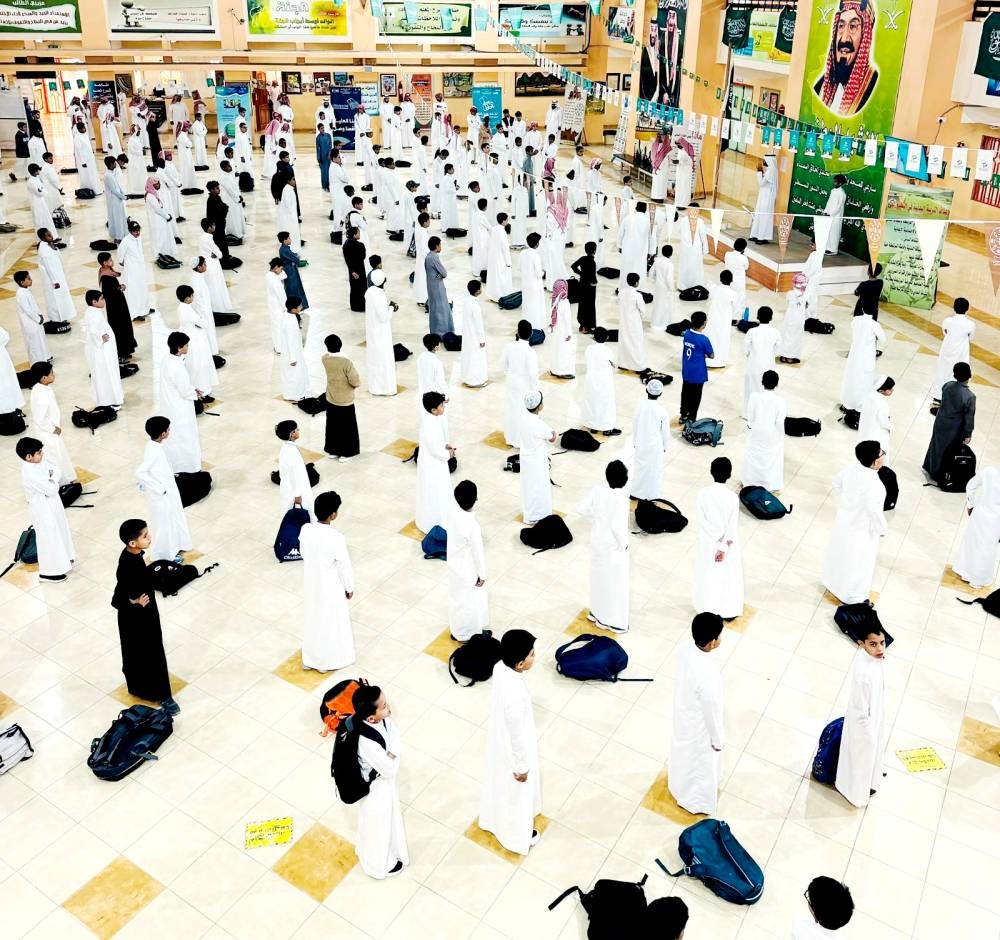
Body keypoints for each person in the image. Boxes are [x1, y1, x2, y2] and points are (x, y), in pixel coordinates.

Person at [479, 629, 541, 854]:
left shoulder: (499, 667)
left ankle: (495, 821)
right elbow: (517, 735)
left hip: (500, 741)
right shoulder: (515, 694)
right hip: (514, 751)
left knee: (500, 786)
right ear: (520, 664)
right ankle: (517, 836)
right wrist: (522, 767)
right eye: (531, 654)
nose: (534, 657)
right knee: (517, 793)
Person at [111, 519, 179, 714]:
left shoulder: (133, 556)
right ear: (133, 543)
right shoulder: (127, 565)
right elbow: (118, 595)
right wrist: (134, 603)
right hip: (136, 618)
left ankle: (144, 688)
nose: (150, 538)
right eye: (145, 536)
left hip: (143, 614)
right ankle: (163, 695)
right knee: (151, 653)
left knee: (143, 652)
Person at [668, 612, 725, 815]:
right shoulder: (709, 676)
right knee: (699, 766)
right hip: (700, 727)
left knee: (683, 755)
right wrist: (717, 739)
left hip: (684, 712)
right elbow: (711, 712)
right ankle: (696, 802)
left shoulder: (684, 649)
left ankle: (678, 786)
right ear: (711, 643)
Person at [351, 684, 408, 879]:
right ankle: (377, 864)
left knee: (383, 820)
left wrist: (390, 754)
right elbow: (389, 770)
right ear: (370, 718)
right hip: (373, 788)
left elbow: (395, 735)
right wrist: (392, 754)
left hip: (383, 783)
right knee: (376, 823)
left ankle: (384, 854)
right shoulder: (366, 741)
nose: (388, 707)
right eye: (383, 706)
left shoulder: (382, 720)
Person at [822, 441, 888, 604]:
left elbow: (836, 482)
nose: (884, 455)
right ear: (875, 462)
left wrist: (848, 501)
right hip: (862, 528)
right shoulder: (875, 485)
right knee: (859, 562)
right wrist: (882, 528)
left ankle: (833, 583)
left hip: (844, 520)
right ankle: (854, 597)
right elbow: (873, 510)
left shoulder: (851, 469)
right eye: (881, 453)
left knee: (840, 553)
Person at [299, 489, 357, 673]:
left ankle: (310, 658)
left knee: (313, 619)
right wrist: (349, 587)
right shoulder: (336, 538)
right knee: (329, 622)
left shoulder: (306, 530)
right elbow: (344, 566)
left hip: (311, 583)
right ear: (333, 515)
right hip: (330, 587)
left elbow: (303, 552)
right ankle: (325, 661)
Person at [836, 621, 888, 807]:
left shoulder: (872, 659)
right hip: (863, 724)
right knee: (861, 758)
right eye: (873, 644)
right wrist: (868, 733)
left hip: (874, 716)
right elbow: (860, 708)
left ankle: (871, 782)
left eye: (882, 643)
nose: (879, 648)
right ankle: (856, 794)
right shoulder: (864, 673)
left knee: (870, 755)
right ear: (862, 643)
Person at [579, 460, 630, 633]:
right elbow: (617, 527)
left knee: (598, 579)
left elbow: (581, 508)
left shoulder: (597, 490)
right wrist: (624, 545)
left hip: (597, 541)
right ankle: (612, 621)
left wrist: (596, 520)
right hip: (613, 547)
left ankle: (596, 613)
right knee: (614, 583)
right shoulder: (621, 499)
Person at [17, 437, 74, 582]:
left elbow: (57, 470)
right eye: (39, 452)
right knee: (49, 538)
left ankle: (64, 560)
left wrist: (51, 479)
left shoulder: (39, 462)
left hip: (52, 504)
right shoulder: (29, 473)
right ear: (29, 457)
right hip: (42, 509)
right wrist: (52, 480)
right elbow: (51, 489)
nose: (42, 454)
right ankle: (48, 573)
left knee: (60, 531)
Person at [136, 417, 192, 564]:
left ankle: (176, 546)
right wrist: (159, 488)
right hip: (161, 495)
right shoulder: (153, 451)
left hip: (168, 492)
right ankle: (165, 555)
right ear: (163, 434)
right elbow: (141, 472)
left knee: (173, 520)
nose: (169, 431)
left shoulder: (155, 447)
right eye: (168, 429)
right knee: (164, 525)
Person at [694, 457, 744, 620]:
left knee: (707, 574)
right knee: (727, 577)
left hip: (708, 542)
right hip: (727, 544)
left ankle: (706, 607)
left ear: (711, 472)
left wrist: (715, 536)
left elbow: (701, 520)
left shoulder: (703, 493)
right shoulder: (732, 498)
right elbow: (732, 526)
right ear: (729, 475)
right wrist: (723, 546)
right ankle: (727, 610)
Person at [448, 480, 489, 642]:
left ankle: (457, 630)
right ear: (475, 500)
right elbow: (477, 553)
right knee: (469, 603)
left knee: (456, 600)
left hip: (454, 566)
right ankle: (468, 635)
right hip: (467, 569)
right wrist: (482, 575)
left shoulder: (453, 515)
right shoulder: (472, 525)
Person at [923, 362, 976, 482]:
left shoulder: (948, 385)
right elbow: (969, 417)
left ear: (954, 374)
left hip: (941, 421)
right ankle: (940, 474)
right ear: (970, 375)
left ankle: (929, 467)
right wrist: (968, 433)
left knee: (936, 445)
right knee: (948, 450)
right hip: (954, 428)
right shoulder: (970, 397)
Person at [160, 332, 202, 473]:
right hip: (180, 406)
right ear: (179, 348)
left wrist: (192, 389)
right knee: (185, 435)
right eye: (186, 345)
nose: (188, 347)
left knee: (176, 437)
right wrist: (194, 393)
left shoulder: (167, 359)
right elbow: (184, 390)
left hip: (170, 403)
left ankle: (177, 464)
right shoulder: (176, 366)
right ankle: (189, 466)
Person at [28, 363, 74, 484]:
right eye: (51, 373)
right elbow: (40, 419)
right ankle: (60, 484)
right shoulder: (41, 395)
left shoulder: (40, 388)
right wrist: (53, 429)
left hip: (50, 430)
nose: (54, 375)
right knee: (54, 459)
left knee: (59, 456)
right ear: (44, 378)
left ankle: (66, 479)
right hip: (48, 433)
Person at [954, 467, 1000, 590]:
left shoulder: (988, 472)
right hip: (996, 521)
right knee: (987, 550)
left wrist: (970, 504)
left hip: (979, 514)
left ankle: (965, 572)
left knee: (972, 544)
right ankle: (978, 580)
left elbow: (970, 485)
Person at [416, 392, 455, 533]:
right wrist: (448, 453)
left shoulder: (431, 419)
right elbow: (434, 449)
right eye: (441, 405)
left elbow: (436, 442)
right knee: (435, 494)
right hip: (433, 466)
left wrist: (445, 444)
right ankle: (434, 523)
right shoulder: (430, 425)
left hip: (434, 463)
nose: (443, 407)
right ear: (433, 410)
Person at [743, 370, 786, 492]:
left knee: (753, 455)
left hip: (756, 433)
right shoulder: (780, 401)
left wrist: (752, 428)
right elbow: (779, 423)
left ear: (762, 382)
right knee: (772, 457)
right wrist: (781, 436)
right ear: (777, 384)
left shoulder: (754, 397)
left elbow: (750, 418)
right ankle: (769, 483)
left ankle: (751, 481)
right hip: (771, 435)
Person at [322, 334, 361, 461]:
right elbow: (355, 380)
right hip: (345, 399)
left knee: (333, 425)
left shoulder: (325, 359)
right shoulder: (346, 362)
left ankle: (333, 450)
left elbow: (328, 355)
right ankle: (347, 452)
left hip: (331, 396)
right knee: (347, 427)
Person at [83, 290, 124, 409]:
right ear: (94, 302)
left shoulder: (92, 311)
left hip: (102, 351)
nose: (104, 301)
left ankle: (110, 399)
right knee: (107, 375)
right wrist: (101, 338)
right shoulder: (94, 314)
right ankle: (111, 400)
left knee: (106, 375)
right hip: (102, 353)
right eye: (101, 299)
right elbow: (93, 330)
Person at [520, 391, 557, 524]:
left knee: (529, 488)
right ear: (539, 406)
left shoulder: (523, 419)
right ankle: (539, 515)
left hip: (526, 460)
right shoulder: (538, 424)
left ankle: (530, 514)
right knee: (539, 488)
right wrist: (553, 432)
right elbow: (552, 437)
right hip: (537, 461)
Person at [503, 321, 540, 447]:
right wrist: (536, 389)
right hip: (525, 386)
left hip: (511, 383)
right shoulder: (530, 352)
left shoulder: (509, 346)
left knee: (512, 410)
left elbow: (504, 366)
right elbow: (533, 374)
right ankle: (520, 440)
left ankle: (511, 437)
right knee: (523, 413)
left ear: (517, 332)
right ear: (531, 334)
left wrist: (511, 375)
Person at [840, 309, 886, 413]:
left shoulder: (856, 320)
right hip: (867, 357)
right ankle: (859, 407)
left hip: (855, 355)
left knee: (852, 380)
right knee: (864, 383)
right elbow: (883, 339)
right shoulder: (874, 324)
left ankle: (848, 403)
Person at [933, 297, 975, 402]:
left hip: (947, 350)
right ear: (967, 309)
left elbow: (945, 333)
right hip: (961, 352)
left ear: (954, 307)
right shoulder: (971, 324)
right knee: (959, 374)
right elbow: (971, 338)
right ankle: (955, 397)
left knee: (943, 371)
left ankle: (939, 396)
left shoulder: (947, 321)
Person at [743, 306, 781, 415]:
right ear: (771, 318)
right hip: (768, 366)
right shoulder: (776, 332)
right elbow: (778, 350)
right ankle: (764, 413)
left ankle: (748, 414)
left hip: (753, 364)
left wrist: (751, 355)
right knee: (766, 392)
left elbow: (745, 350)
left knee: (751, 391)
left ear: (757, 317)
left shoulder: (751, 331)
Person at [365, 270, 397, 397]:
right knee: (384, 360)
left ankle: (375, 387)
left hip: (372, 332)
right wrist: (391, 308)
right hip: (381, 334)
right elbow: (384, 317)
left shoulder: (369, 292)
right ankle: (386, 389)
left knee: (374, 360)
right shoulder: (379, 296)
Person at [99, 253, 137, 362]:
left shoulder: (107, 272)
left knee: (124, 326)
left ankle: (126, 351)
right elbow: (109, 292)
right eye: (110, 260)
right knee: (120, 328)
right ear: (104, 263)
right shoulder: (106, 276)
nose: (112, 261)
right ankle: (121, 353)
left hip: (118, 304)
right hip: (116, 307)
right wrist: (120, 288)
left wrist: (119, 287)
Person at [274, 419, 314, 518]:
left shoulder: (285, 448)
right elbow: (295, 475)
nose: (298, 431)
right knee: (302, 515)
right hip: (296, 491)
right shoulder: (291, 453)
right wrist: (298, 495)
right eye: (297, 430)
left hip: (288, 488)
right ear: (292, 434)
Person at [36, 228, 76, 324]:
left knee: (62, 296)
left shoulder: (49, 245)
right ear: (42, 238)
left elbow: (58, 256)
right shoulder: (43, 250)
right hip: (52, 279)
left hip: (58, 275)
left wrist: (53, 246)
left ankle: (63, 317)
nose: (51, 236)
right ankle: (56, 319)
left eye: (50, 234)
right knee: (54, 299)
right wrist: (54, 281)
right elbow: (48, 267)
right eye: (48, 235)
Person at [680, 311, 714, 422]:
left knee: (685, 392)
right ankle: (692, 418)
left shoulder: (686, 334)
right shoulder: (704, 339)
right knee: (696, 396)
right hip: (698, 373)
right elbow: (711, 355)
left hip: (686, 370)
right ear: (704, 323)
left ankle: (683, 415)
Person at [117, 220, 153, 321]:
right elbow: (120, 255)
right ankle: (135, 314)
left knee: (143, 288)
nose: (137, 232)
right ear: (130, 231)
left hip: (140, 269)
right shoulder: (125, 241)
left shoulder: (139, 238)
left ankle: (145, 309)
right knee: (134, 291)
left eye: (138, 230)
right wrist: (124, 265)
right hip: (132, 271)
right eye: (135, 231)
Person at [14, 270, 50, 363]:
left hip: (35, 320)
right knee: (34, 344)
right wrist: (38, 318)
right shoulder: (21, 294)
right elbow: (28, 310)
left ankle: (44, 358)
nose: (31, 280)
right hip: (30, 322)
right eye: (29, 279)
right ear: (22, 282)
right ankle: (37, 362)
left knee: (39, 340)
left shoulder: (25, 290)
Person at [705, 270, 738, 369]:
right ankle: (720, 361)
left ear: (720, 279)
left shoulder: (714, 289)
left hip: (713, 318)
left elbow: (709, 301)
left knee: (711, 337)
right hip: (724, 320)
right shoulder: (733, 294)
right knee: (722, 339)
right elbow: (736, 308)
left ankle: (708, 359)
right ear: (731, 280)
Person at [858, 376, 894, 465]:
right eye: (890, 389)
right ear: (881, 391)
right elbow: (884, 421)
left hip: (866, 430)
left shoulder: (869, 396)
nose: (892, 390)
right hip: (877, 433)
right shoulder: (882, 403)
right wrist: (891, 427)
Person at [279, 297, 310, 402]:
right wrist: (293, 359)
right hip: (292, 354)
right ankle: (294, 395)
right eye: (299, 306)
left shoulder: (289, 315)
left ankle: (295, 393)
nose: (301, 307)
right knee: (294, 375)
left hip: (294, 351)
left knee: (293, 375)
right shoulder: (289, 324)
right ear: (293, 309)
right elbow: (290, 342)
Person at [458, 280, 488, 387]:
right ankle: (475, 381)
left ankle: (467, 377)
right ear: (478, 291)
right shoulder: (475, 305)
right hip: (475, 336)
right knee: (476, 358)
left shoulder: (467, 301)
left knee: (468, 357)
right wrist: (482, 339)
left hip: (468, 334)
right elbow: (478, 324)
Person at [617, 272, 648, 373]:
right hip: (634, 323)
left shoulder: (621, 292)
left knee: (624, 342)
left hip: (623, 322)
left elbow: (619, 303)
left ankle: (623, 363)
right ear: (636, 283)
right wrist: (640, 317)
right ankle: (638, 365)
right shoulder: (637, 295)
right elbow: (643, 311)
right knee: (636, 343)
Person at [425, 236, 454, 335]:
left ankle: (435, 331)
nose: (441, 247)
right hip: (437, 287)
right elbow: (444, 273)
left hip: (431, 287)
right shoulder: (434, 258)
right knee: (441, 309)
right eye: (440, 245)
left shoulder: (428, 257)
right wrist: (441, 275)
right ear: (436, 246)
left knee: (434, 309)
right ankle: (442, 332)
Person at [779, 272, 810, 365]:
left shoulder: (790, 293)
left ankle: (783, 355)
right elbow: (807, 305)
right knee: (795, 337)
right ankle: (790, 357)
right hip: (799, 319)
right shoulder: (806, 295)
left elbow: (789, 301)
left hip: (789, 317)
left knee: (786, 334)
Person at [548, 279, 576, 378]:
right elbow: (567, 320)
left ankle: (554, 369)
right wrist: (569, 333)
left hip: (556, 330)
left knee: (555, 349)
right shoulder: (564, 302)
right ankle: (562, 371)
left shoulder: (553, 299)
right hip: (563, 331)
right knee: (563, 351)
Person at [677, 204, 709, 291]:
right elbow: (703, 236)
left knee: (685, 267)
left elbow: (679, 231)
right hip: (695, 249)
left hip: (686, 249)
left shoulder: (683, 220)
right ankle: (695, 286)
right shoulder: (700, 221)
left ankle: (683, 286)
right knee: (695, 268)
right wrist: (705, 249)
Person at [749, 155, 778, 243]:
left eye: (765, 160)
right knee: (759, 215)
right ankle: (755, 235)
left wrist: (759, 172)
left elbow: (761, 183)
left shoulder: (771, 171)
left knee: (764, 217)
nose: (764, 162)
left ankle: (762, 238)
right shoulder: (770, 170)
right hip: (763, 197)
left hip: (767, 199)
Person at [571, 241, 598, 333]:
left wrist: (581, 274)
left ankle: (582, 325)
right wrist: (594, 283)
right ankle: (587, 326)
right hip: (590, 287)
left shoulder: (583, 258)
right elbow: (592, 276)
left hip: (582, 284)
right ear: (594, 251)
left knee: (582, 304)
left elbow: (573, 266)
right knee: (590, 305)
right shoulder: (592, 262)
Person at [486, 213, 514, 302]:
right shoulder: (502, 232)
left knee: (494, 276)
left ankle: (492, 295)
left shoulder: (493, 229)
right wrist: (508, 262)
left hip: (492, 257)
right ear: (503, 221)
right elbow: (505, 248)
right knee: (501, 277)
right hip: (500, 258)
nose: (507, 221)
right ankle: (501, 295)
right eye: (507, 220)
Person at [520, 231, 545, 329]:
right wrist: (543, 272)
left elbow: (520, 267)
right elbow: (538, 274)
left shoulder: (522, 253)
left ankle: (527, 323)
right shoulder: (536, 256)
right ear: (537, 244)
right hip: (535, 285)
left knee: (527, 304)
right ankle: (535, 324)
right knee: (535, 305)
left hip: (525, 283)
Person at [279, 231, 309, 312]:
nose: (290, 239)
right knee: (292, 288)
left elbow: (294, 257)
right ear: (285, 240)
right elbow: (296, 258)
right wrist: (296, 258)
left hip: (291, 270)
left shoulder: (285, 249)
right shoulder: (284, 250)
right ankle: (294, 307)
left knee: (295, 287)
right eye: (289, 238)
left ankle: (297, 306)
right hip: (290, 272)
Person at [649, 244, 676, 332]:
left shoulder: (657, 261)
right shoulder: (670, 265)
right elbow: (669, 279)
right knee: (665, 306)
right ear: (671, 253)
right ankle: (663, 323)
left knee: (657, 305)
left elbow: (651, 273)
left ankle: (655, 322)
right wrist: (672, 288)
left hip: (658, 287)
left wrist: (654, 281)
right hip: (666, 289)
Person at [26, 163, 55, 236]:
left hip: (41, 202)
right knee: (39, 221)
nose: (39, 171)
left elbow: (42, 188)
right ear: (35, 171)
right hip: (36, 204)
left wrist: (43, 191)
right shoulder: (31, 181)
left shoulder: (36, 178)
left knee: (46, 218)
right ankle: (40, 238)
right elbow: (39, 192)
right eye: (37, 170)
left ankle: (51, 235)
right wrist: (45, 192)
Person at [821, 175, 847, 254]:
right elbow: (829, 202)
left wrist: (831, 214)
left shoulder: (842, 193)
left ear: (840, 183)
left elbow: (838, 206)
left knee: (834, 233)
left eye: (835, 182)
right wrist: (826, 211)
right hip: (829, 215)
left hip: (836, 217)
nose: (834, 183)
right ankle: (827, 247)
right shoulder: (833, 191)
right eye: (834, 181)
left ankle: (833, 250)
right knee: (828, 232)